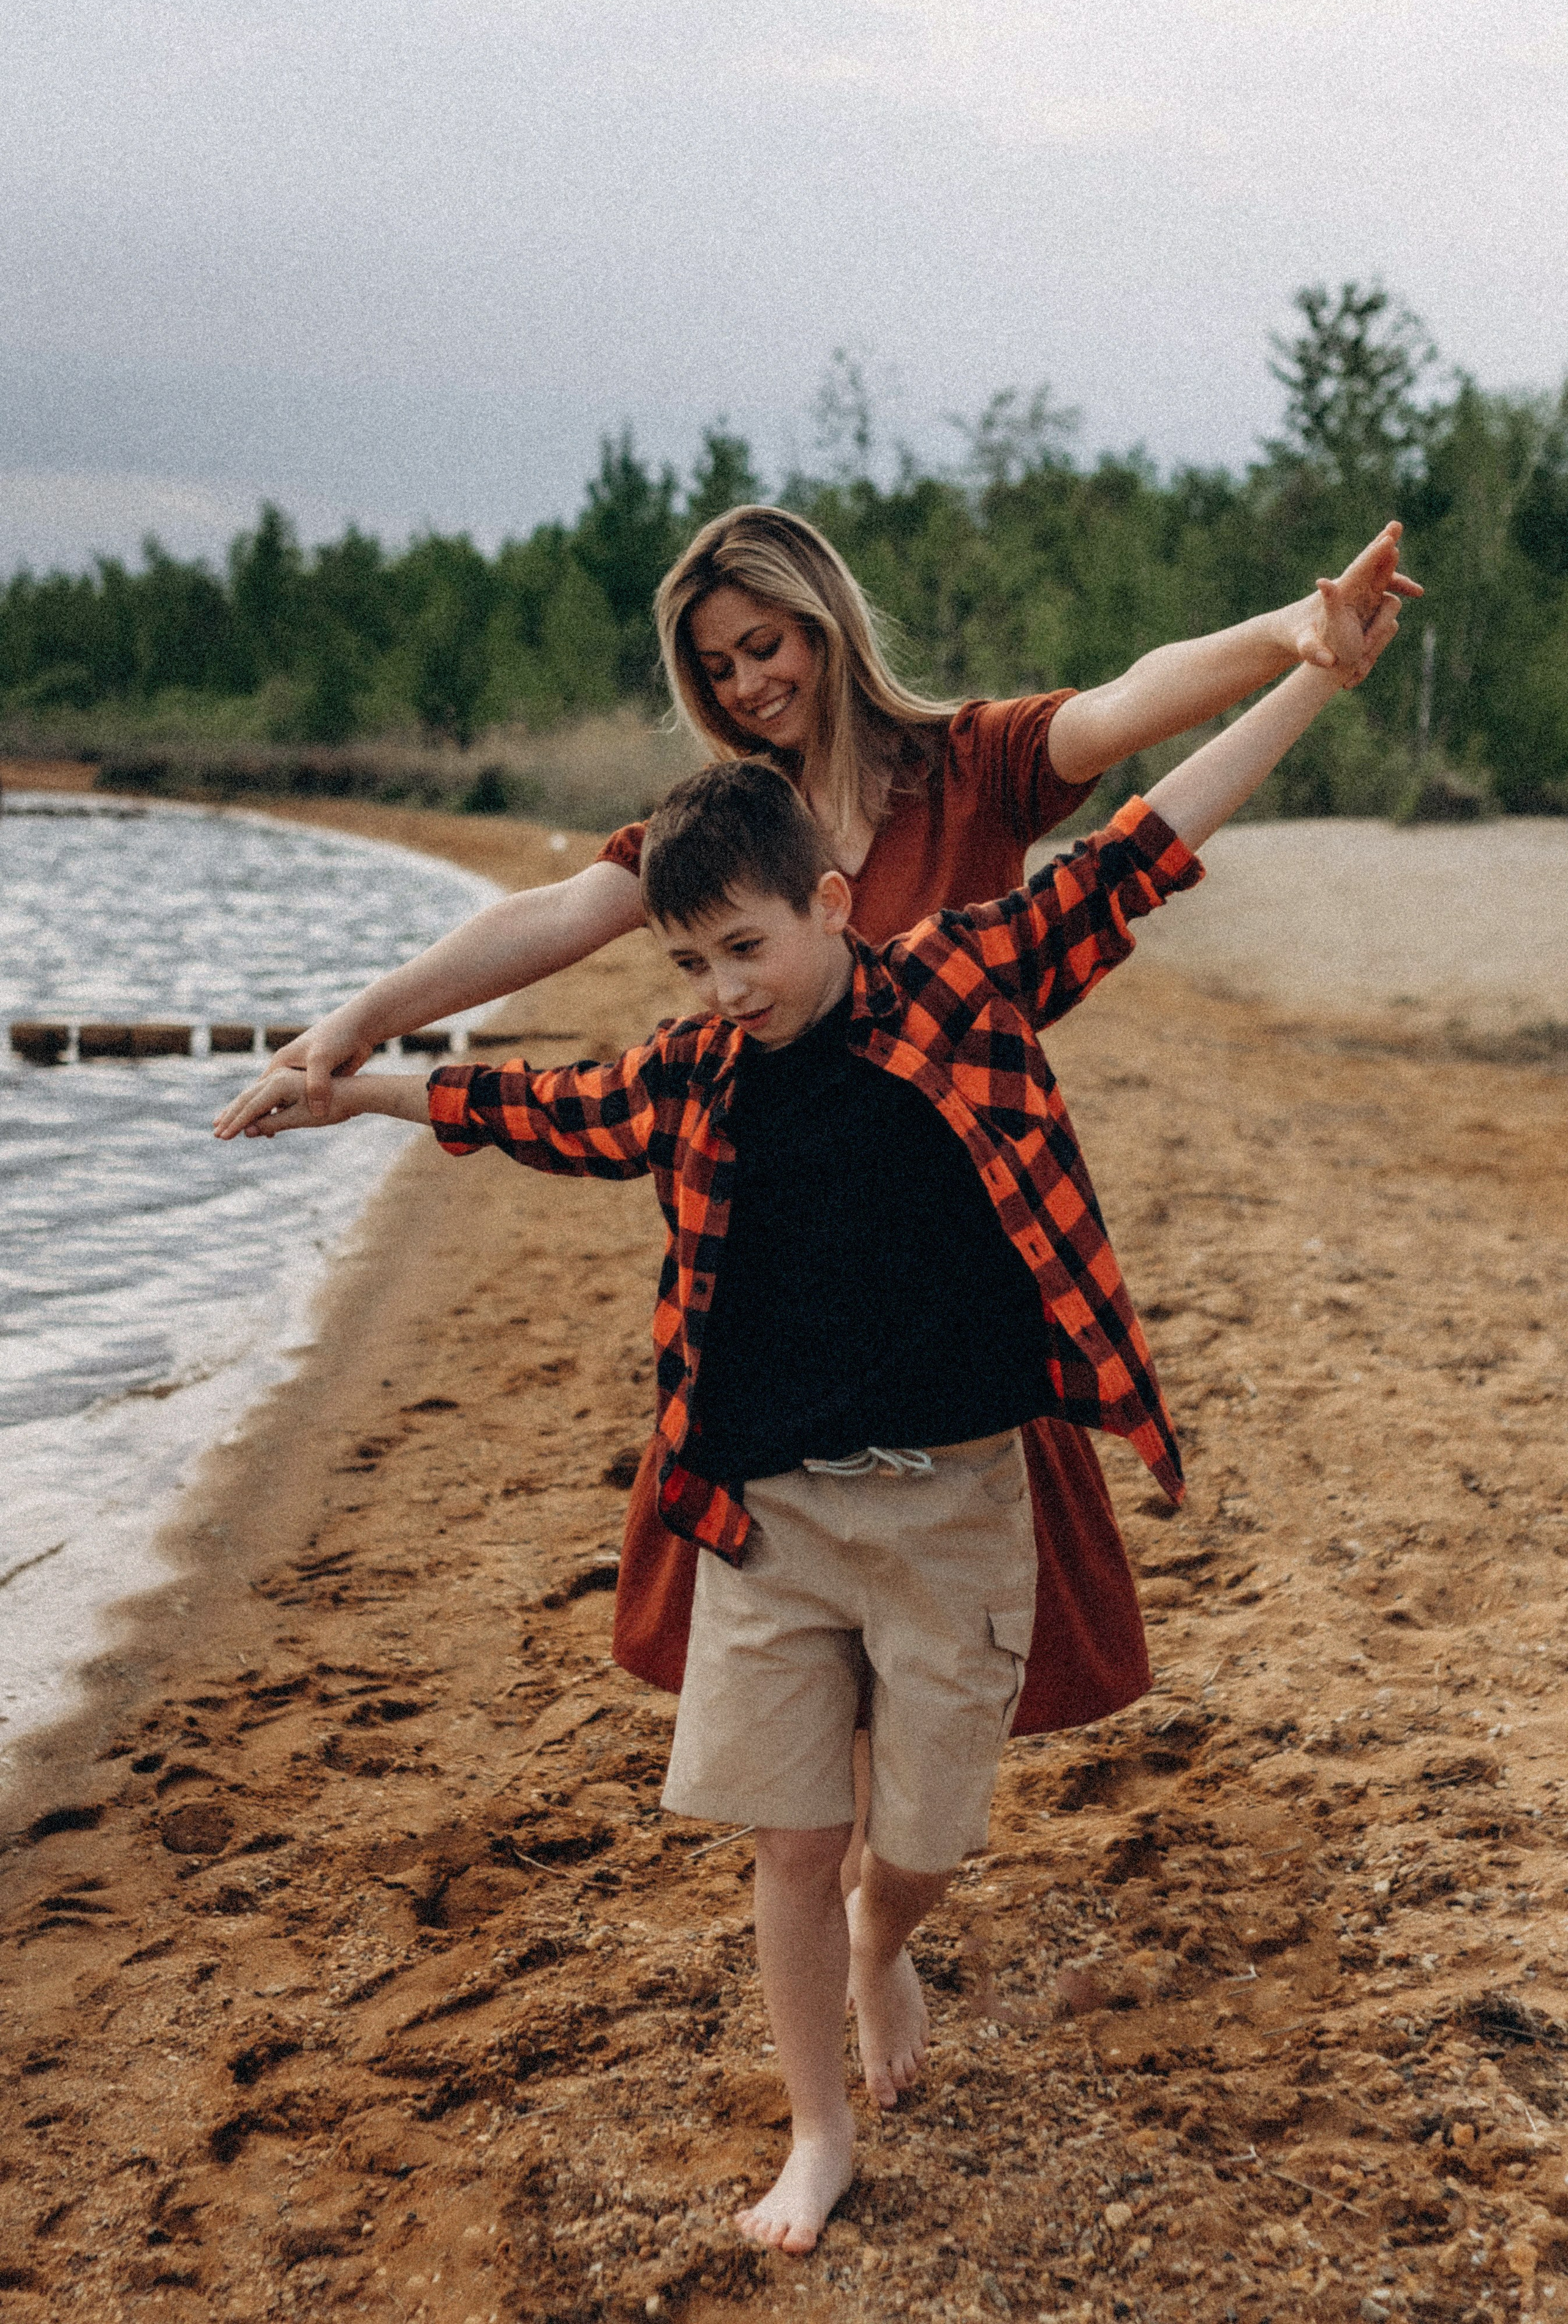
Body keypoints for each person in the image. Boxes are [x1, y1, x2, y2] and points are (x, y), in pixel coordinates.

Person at [228, 574, 1400, 2255]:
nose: (723, 986)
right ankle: (819, 2128)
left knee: (917, 1838)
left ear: (835, 902)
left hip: (954, 1501)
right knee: (790, 1838)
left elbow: (1150, 833)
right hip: (766, 1519)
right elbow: (532, 1101)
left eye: (749, 951)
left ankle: (885, 1935)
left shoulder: (964, 976)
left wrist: (1309, 674)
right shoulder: (692, 1064)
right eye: (692, 959)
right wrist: (350, 1078)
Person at [214, 508, 1421, 1760]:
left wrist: (1293, 635)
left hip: (951, 1275)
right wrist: (356, 1026)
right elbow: (552, 916)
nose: (746, 684)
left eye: (763, 644)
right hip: (790, 1287)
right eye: (717, 667)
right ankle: (843, 1907)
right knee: (804, 1685)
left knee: (941, 1678)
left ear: (823, 622)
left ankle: (879, 1898)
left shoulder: (972, 763)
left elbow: (1129, 714)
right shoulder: (733, 825)